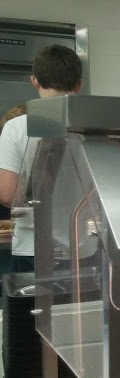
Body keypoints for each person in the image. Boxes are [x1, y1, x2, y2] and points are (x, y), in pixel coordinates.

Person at [0, 45, 82, 272]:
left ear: (35, 81)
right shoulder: (95, 127)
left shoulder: (15, 128)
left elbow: (7, 194)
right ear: (78, 85)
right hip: (84, 247)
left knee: (34, 308)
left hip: (33, 248)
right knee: (84, 309)